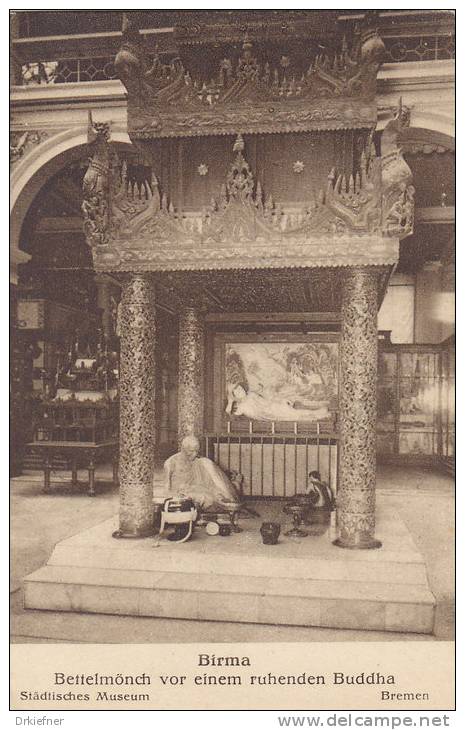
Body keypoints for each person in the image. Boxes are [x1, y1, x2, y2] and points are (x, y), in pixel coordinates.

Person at [161, 435, 240, 512]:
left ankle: (226, 501)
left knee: (207, 465)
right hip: (182, 493)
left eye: (197, 451)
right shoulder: (170, 463)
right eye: (191, 451)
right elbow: (167, 490)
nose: (195, 454)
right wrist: (176, 495)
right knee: (206, 497)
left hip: (198, 487)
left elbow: (205, 481)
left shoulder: (197, 461)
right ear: (183, 449)